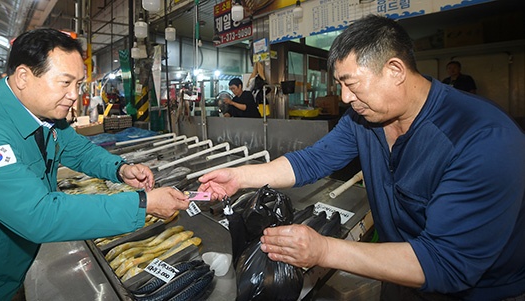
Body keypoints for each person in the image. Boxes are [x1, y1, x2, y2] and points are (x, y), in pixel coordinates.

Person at [198, 14, 525, 300]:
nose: (344, 97)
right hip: (398, 275)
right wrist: (239, 177)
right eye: (339, 84)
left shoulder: (482, 138)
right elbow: (314, 160)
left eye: (350, 83)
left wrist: (324, 250)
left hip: (480, 290)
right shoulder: (366, 118)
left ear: (395, 70)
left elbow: (446, 263)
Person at [0, 28, 189, 300]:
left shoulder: (43, 116)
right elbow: (37, 215)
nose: (75, 94)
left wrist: (119, 169)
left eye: (78, 84)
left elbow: (78, 150)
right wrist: (142, 203)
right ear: (23, 76)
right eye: (65, 82)